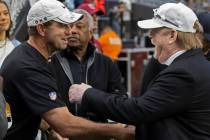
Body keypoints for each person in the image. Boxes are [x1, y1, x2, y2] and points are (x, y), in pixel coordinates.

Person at [69, 3, 210, 140]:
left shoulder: (183, 73)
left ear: (172, 36)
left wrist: (87, 94)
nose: (150, 35)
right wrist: (157, 55)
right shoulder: (193, 64)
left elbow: (138, 110)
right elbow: (147, 97)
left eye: (155, 30)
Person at [0, 0, 134, 139]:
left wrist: (51, 129)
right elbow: (66, 125)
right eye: (62, 25)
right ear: (41, 29)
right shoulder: (28, 65)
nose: (69, 31)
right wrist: (119, 131)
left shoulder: (29, 56)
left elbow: (31, 107)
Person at [50, 9, 126, 124]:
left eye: (79, 26)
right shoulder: (52, 62)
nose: (73, 31)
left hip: (98, 132)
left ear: (90, 33)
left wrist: (92, 98)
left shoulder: (106, 63)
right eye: (69, 26)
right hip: (63, 132)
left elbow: (120, 101)